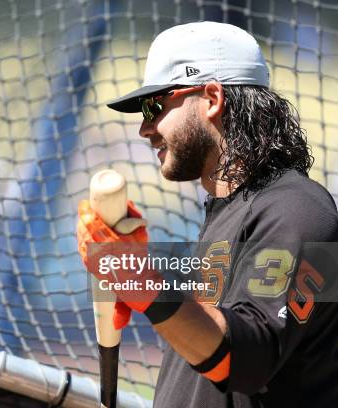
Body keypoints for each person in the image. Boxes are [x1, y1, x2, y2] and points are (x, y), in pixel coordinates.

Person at [77, 22, 338, 407]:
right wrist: (137, 276)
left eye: (154, 107)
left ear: (212, 98)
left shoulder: (300, 210)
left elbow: (249, 358)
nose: (144, 128)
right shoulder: (226, 213)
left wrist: (142, 282)